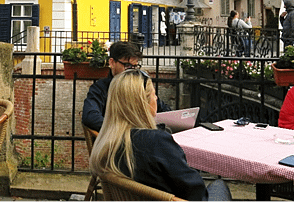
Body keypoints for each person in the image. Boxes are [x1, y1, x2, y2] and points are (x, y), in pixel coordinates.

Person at [89, 69, 232, 201]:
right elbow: (197, 194)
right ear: (143, 103)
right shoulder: (155, 142)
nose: (156, 99)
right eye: (154, 94)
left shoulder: (106, 142)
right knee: (220, 185)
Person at [82, 41, 171, 132]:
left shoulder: (142, 86)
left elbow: (164, 111)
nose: (132, 72)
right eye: (128, 66)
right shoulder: (100, 89)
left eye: (135, 67)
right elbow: (90, 117)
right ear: (112, 63)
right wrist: (124, 131)